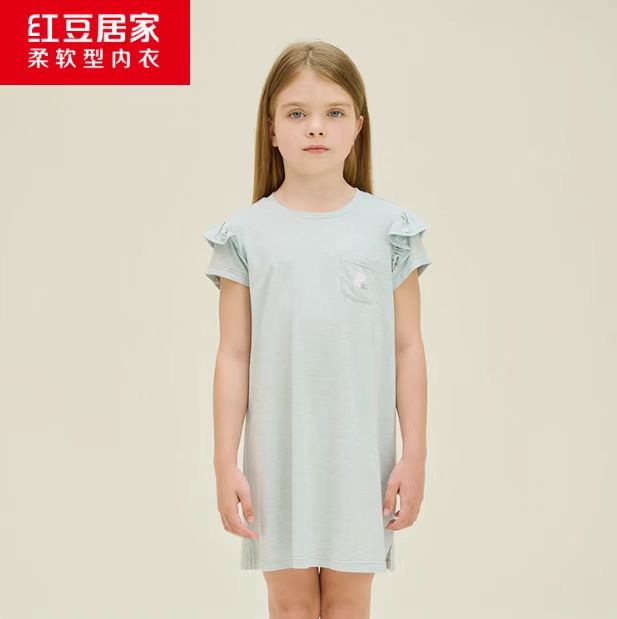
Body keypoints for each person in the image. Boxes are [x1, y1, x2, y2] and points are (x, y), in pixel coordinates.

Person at [203, 40, 432, 619]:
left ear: (358, 125)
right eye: (296, 113)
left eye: (334, 112)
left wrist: (415, 454)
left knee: (350, 603)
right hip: (278, 458)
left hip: (361, 459)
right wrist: (225, 461)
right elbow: (234, 354)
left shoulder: (389, 229)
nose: (315, 127)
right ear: (271, 128)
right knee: (291, 604)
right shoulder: (245, 235)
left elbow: (407, 347)